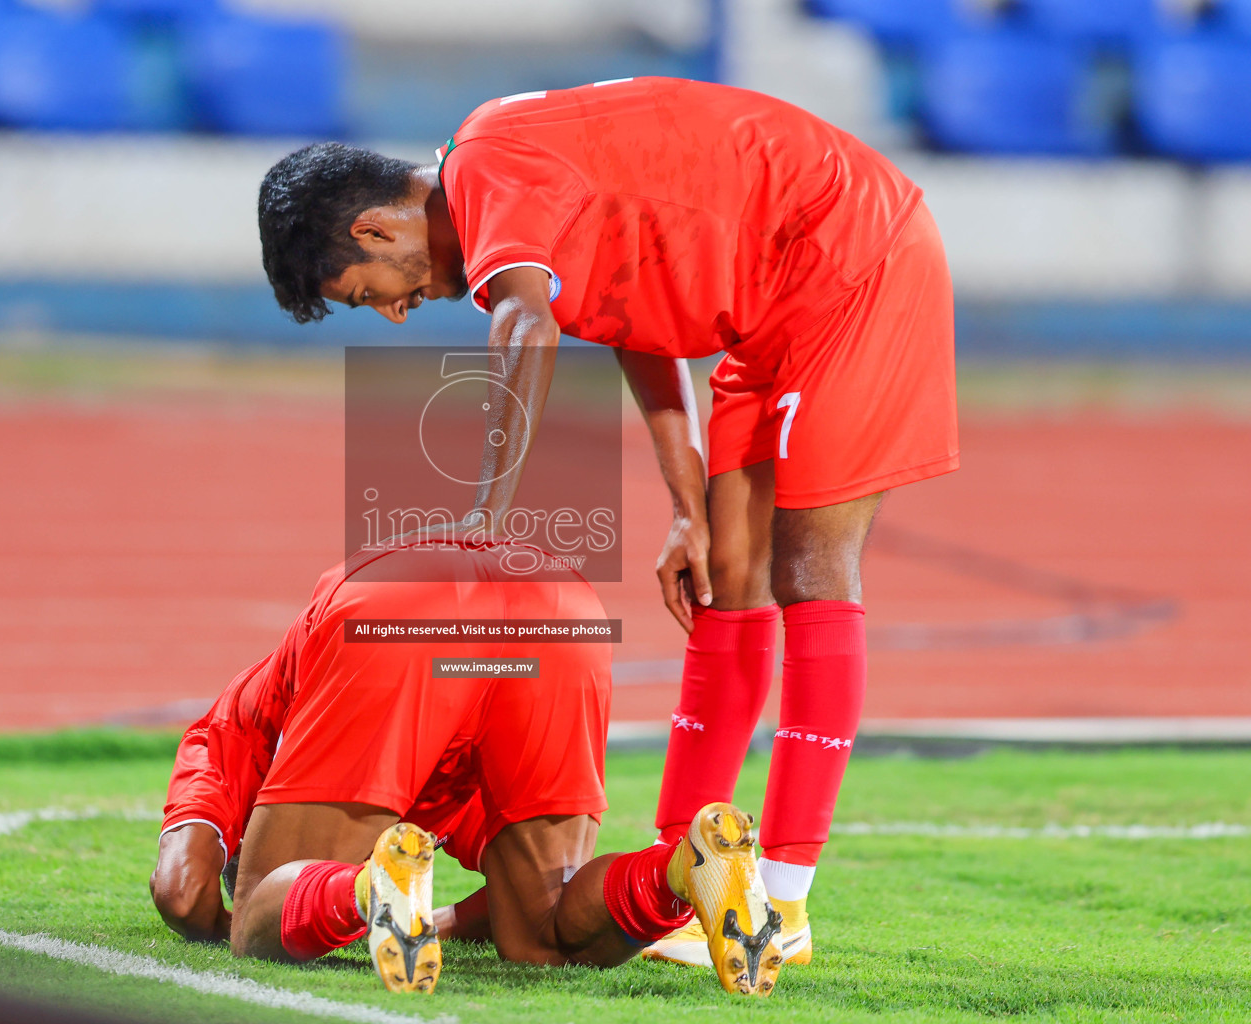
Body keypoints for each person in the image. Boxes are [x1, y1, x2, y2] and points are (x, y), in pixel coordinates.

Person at [257, 77, 959, 963]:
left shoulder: (484, 167)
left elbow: (529, 325)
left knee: (810, 572)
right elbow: (635, 314)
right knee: (726, 579)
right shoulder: (508, 188)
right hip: (772, 302)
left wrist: (484, 522)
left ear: (375, 229)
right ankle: (692, 885)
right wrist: (683, 507)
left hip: (852, 257)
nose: (398, 311)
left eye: (370, 294)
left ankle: (781, 903)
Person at [149, 539, 786, 995]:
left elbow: (183, 892)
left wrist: (249, 907)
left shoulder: (238, 731)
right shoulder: (426, 783)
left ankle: (369, 890)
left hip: (400, 608)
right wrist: (442, 922)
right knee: (544, 937)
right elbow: (520, 906)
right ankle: (682, 869)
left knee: (262, 912)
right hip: (555, 601)